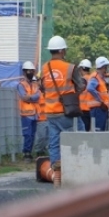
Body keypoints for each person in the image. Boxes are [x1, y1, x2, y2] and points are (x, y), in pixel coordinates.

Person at [39, 36, 86, 180]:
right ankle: (79, 167)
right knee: (80, 136)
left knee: (54, 143)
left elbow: (42, 88)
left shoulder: (44, 68)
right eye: (64, 49)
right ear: (61, 50)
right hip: (67, 112)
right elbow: (81, 86)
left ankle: (57, 173)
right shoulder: (70, 68)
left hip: (50, 112)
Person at [17, 61, 40, 162]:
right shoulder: (21, 85)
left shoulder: (35, 84)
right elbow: (24, 97)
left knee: (32, 134)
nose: (31, 72)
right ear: (24, 71)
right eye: (29, 71)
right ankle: (26, 153)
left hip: (34, 114)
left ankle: (29, 153)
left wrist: (30, 97)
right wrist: (32, 97)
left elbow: (38, 96)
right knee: (27, 134)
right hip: (26, 114)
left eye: (32, 71)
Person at [86, 57, 109, 131]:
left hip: (100, 109)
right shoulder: (95, 77)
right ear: (103, 67)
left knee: (100, 131)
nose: (107, 68)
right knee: (98, 131)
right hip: (97, 109)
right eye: (106, 66)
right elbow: (90, 88)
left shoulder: (100, 78)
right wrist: (100, 101)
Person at [77, 58, 93, 131]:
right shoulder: (92, 79)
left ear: (81, 69)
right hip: (91, 109)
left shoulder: (81, 81)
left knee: (83, 132)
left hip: (83, 109)